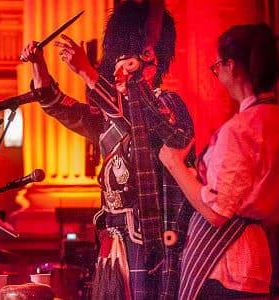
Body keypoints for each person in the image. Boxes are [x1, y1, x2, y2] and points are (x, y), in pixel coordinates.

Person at [20, 1, 194, 299]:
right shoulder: (106, 119)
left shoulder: (168, 104)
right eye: (115, 67)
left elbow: (142, 119)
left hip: (152, 240)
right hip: (113, 237)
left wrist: (88, 73)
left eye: (126, 65)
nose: (117, 75)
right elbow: (58, 105)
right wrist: (39, 64)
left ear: (151, 63)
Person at [158, 23, 279, 299]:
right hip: (256, 260)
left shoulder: (240, 129)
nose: (218, 75)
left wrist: (174, 164)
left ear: (232, 66)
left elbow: (217, 213)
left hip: (223, 266)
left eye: (217, 66)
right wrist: (252, 215)